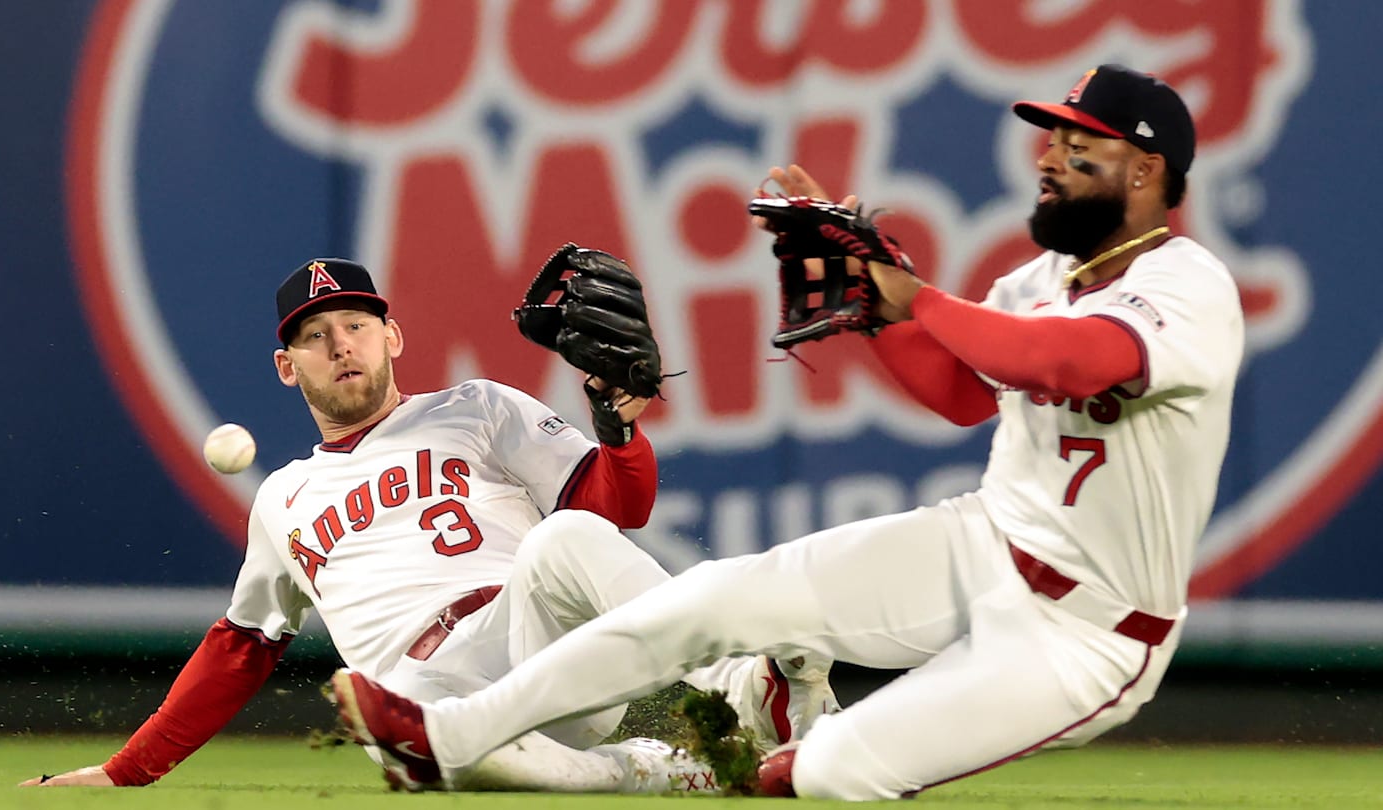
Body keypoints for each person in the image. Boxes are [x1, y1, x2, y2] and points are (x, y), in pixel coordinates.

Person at [324, 64, 1244, 800]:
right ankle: (444, 737)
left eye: (1079, 141)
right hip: (985, 542)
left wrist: (913, 295)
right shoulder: (1040, 277)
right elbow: (964, 394)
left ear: (1144, 168)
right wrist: (879, 317)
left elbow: (1067, 364)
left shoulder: (1187, 287)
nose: (1049, 152)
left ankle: (797, 753)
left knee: (827, 776)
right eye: (1051, 132)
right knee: (710, 600)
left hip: (1087, 633)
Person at [21, 256, 836, 792]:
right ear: (287, 365)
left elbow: (616, 512)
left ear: (392, 335)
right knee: (398, 732)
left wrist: (619, 431)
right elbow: (241, 647)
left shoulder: (473, 407)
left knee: (564, 538)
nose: (340, 345)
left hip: (533, 635)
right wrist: (129, 771)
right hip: (423, 688)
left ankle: (743, 690)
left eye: (356, 325)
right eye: (314, 336)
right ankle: (685, 774)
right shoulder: (284, 497)